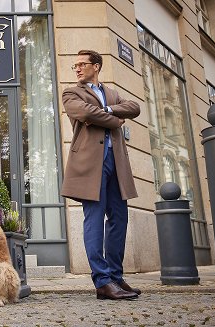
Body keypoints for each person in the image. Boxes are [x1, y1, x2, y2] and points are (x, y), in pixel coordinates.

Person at [61, 50, 141, 300]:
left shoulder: (112, 93)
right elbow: (84, 113)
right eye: (75, 65)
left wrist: (106, 109)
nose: (77, 68)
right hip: (89, 164)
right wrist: (115, 120)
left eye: (82, 64)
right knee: (94, 220)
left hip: (117, 162)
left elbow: (134, 107)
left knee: (119, 218)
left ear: (96, 66)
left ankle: (116, 276)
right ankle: (102, 281)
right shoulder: (71, 92)